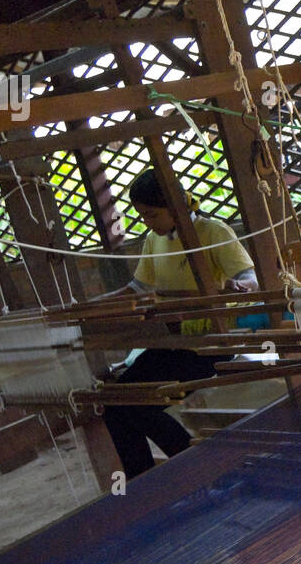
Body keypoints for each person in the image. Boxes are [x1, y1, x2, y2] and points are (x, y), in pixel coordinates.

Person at [97, 167, 259, 479]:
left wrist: (241, 288)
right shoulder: (153, 241)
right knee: (114, 406)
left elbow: (249, 278)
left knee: (138, 407)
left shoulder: (213, 232)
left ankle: (201, 472)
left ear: (175, 206)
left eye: (152, 215)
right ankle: (144, 484)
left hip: (211, 346)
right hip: (173, 344)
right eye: (142, 215)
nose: (147, 222)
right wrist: (91, 307)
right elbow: (138, 289)